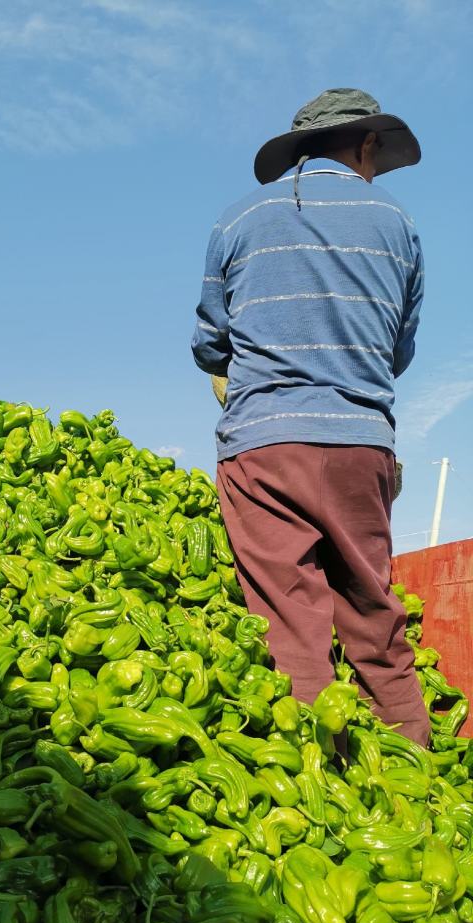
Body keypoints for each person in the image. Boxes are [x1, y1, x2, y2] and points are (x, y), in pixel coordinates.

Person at [190, 88, 429, 745]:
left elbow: (210, 344)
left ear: (298, 151)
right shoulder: (397, 225)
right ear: (366, 144)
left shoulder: (236, 222)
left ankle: (315, 780)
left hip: (263, 445)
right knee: (374, 616)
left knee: (290, 624)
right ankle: (416, 777)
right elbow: (397, 350)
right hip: (359, 443)